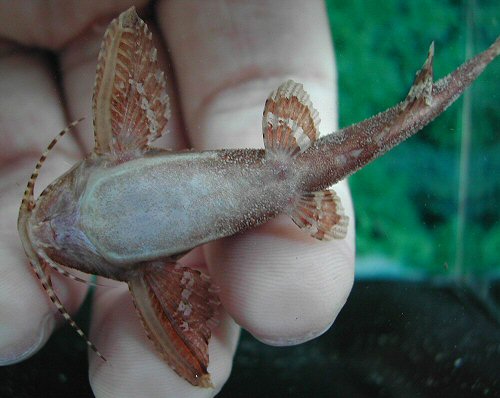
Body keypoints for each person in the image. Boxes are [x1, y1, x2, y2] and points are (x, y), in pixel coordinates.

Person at [0, 1, 355, 396]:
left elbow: (126, 35)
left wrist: (120, 21)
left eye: (44, 201)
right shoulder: (144, 265)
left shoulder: (120, 159)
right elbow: (125, 36)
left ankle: (430, 99)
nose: (48, 228)